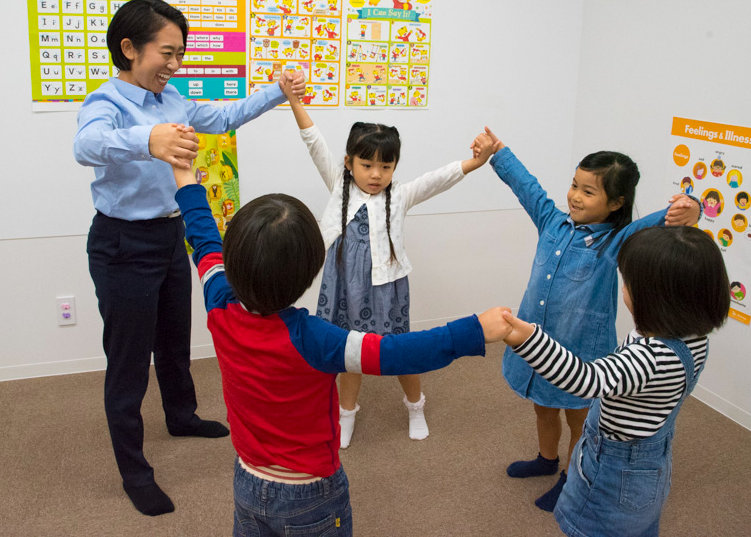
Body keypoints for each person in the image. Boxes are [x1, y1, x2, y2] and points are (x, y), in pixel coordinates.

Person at [171, 157, 514, 536]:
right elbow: (396, 353)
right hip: (309, 493)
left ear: (233, 259)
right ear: (308, 272)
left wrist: (186, 177)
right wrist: (474, 331)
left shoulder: (219, 304)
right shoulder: (315, 339)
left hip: (247, 480)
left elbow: (204, 239)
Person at [73, 0, 305, 516]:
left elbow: (223, 117)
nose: (175, 65)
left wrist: (277, 92)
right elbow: (86, 146)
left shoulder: (171, 98)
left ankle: (181, 415)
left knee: (175, 340)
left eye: (181, 54)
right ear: (129, 48)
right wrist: (146, 139)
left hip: (168, 236)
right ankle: (135, 471)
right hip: (121, 245)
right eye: (167, 52)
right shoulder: (106, 103)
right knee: (129, 362)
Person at [475, 127, 701, 511]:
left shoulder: (618, 240)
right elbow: (527, 187)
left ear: (616, 203)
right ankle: (547, 460)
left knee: (579, 420)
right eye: (574, 185)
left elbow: (662, 220)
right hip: (536, 346)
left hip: (582, 354)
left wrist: (691, 206)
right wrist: (498, 152)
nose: (575, 196)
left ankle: (571, 477)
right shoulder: (552, 221)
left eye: (588, 191)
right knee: (542, 406)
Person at [285, 96, 495, 447]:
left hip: (386, 287)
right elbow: (313, 140)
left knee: (399, 350)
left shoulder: (400, 195)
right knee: (346, 350)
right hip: (342, 285)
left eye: (386, 166)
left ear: (395, 167)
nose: (376, 174)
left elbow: (440, 178)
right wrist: (293, 99)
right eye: (367, 165)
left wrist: (477, 160)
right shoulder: (339, 183)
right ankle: (346, 414)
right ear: (350, 163)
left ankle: (415, 406)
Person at [501, 226, 730, 536]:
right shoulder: (694, 339)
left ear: (654, 300)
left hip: (615, 467)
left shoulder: (651, 357)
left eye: (628, 285)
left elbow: (586, 379)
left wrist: (529, 340)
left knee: (591, 527)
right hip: (652, 460)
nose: (623, 290)